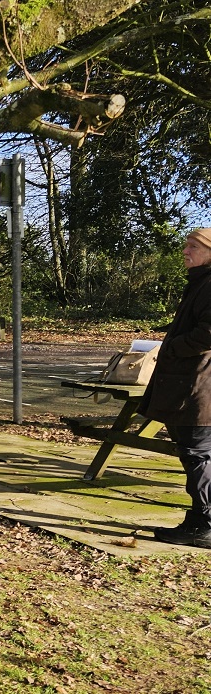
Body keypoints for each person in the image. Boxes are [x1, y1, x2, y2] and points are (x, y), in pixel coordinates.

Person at [142, 227, 211, 549]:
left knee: (197, 454)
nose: (185, 251)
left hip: (198, 387)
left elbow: (207, 334)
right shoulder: (200, 282)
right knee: (198, 454)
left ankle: (204, 524)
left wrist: (172, 348)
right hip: (192, 384)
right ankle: (201, 520)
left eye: (193, 246)